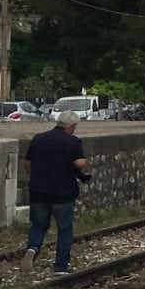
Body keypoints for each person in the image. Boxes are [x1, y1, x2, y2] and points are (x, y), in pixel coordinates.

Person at [24, 111, 91, 272]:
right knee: (65, 228)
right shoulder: (73, 141)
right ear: (71, 126)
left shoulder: (39, 138)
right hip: (63, 192)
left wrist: (35, 177)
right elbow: (80, 163)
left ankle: (32, 248)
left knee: (38, 225)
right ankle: (61, 266)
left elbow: (27, 163)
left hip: (38, 191)